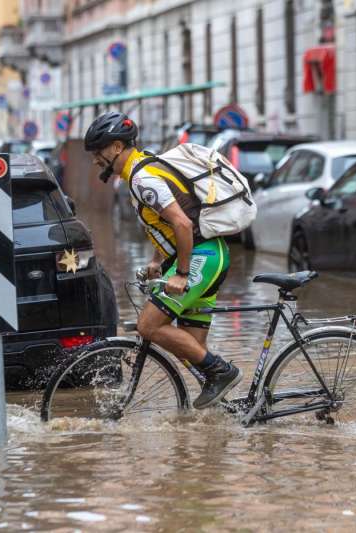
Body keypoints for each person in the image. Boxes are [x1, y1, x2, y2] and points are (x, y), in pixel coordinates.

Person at [84, 111, 242, 409]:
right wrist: (158, 261)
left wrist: (181, 273)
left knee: (148, 326)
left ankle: (224, 372)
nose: (95, 160)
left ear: (116, 147)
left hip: (203, 257)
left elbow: (182, 224)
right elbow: (164, 225)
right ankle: (228, 415)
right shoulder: (139, 173)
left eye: (98, 152)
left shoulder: (143, 178)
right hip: (204, 255)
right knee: (191, 348)